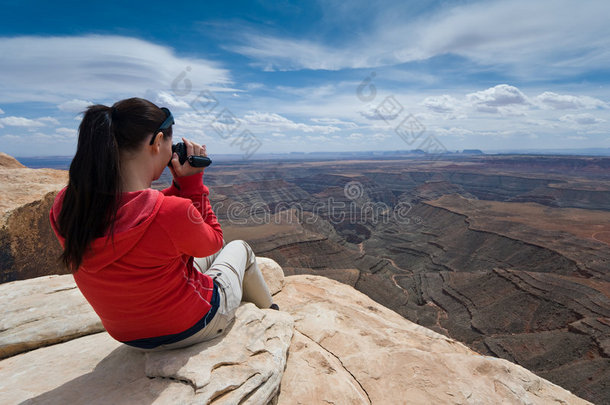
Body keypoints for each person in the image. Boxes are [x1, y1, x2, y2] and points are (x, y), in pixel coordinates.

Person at [49, 97, 278, 351]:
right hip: (189, 327)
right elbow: (213, 242)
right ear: (158, 142)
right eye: (170, 142)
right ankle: (273, 317)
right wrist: (193, 184)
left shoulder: (68, 205)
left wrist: (179, 188)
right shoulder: (171, 213)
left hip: (127, 335)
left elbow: (138, 213)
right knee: (239, 248)